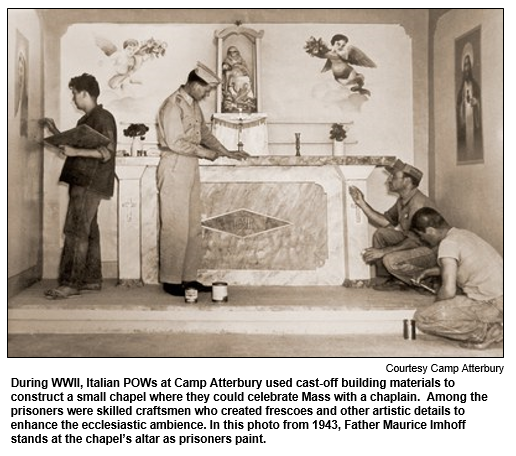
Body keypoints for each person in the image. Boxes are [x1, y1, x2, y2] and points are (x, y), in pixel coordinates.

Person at [156, 62, 250, 296]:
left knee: (192, 227)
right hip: (175, 164)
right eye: (206, 89)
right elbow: (176, 142)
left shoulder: (193, 106)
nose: (207, 94)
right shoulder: (172, 105)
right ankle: (171, 280)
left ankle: (188, 277)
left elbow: (204, 134)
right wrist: (207, 154)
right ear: (195, 84)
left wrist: (227, 151)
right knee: (175, 226)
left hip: (190, 165)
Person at [40, 73, 117, 299]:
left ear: (84, 93)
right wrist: (55, 132)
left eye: (74, 93)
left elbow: (106, 152)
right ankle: (92, 279)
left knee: (75, 231)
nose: (73, 98)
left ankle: (71, 283)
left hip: (89, 182)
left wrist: (75, 152)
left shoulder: (103, 117)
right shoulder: (86, 120)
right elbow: (77, 144)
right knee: (89, 231)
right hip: (85, 181)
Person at [411, 207, 503, 349]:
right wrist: (431, 272)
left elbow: (448, 291)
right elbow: (466, 265)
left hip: (492, 303)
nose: (422, 239)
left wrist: (437, 305)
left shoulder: (447, 244)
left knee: (423, 318)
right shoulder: (464, 235)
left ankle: (489, 330)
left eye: (421, 235)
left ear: (430, 230)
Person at [348, 159, 438, 291]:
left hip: (430, 251)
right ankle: (392, 280)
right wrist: (361, 203)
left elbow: (415, 240)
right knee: (381, 234)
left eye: (394, 177)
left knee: (390, 260)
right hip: (415, 242)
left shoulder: (419, 204)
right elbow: (386, 221)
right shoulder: (403, 200)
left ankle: (425, 279)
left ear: (407, 181)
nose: (388, 180)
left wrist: (382, 252)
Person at [456, 48, 482, 161]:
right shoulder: (462, 88)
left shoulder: (475, 85)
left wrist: (476, 102)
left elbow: (479, 98)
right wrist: (462, 104)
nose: (466, 68)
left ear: (471, 67)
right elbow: (458, 104)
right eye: (465, 65)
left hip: (473, 120)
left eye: (468, 65)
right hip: (464, 122)